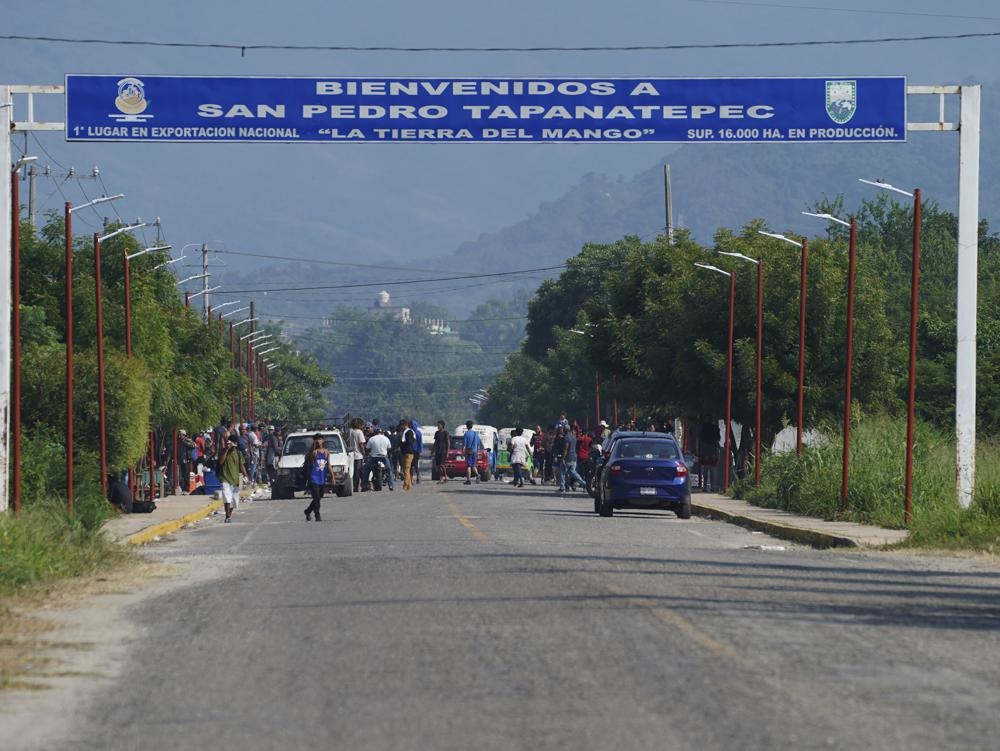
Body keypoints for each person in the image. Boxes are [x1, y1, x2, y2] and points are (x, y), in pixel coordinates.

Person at [303, 433, 333, 521]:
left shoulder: (327, 452)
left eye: (320, 439)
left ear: (323, 440)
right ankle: (317, 515)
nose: (319, 441)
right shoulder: (313, 453)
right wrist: (313, 447)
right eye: (317, 439)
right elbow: (308, 460)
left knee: (320, 496)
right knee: (316, 497)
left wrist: (333, 477)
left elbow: (329, 465)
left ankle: (308, 511)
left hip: (322, 477)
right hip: (313, 477)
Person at [218, 434, 247, 523]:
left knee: (234, 501)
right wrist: (226, 449)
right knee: (227, 497)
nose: (229, 444)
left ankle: (229, 515)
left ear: (235, 444)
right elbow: (221, 462)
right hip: (225, 478)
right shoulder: (224, 451)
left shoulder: (238, 453)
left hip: (235, 480)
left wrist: (246, 475)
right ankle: (227, 516)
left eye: (231, 443)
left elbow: (241, 465)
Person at [560, 427, 587, 493]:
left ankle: (562, 487)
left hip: (568, 457)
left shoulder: (566, 438)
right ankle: (584, 483)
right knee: (573, 472)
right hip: (574, 456)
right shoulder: (573, 437)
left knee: (563, 472)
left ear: (564, 430)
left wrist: (563, 458)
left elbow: (566, 449)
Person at [698, 416, 721, 492]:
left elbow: (700, 438)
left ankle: (704, 486)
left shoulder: (703, 428)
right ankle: (713, 486)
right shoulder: (715, 428)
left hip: (705, 449)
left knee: (705, 468)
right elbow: (718, 438)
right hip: (713, 449)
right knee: (713, 468)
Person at [347, 418, 366, 492]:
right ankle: (357, 487)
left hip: (352, 454)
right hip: (358, 454)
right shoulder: (359, 432)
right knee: (359, 472)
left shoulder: (351, 432)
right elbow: (361, 444)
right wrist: (364, 453)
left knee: (355, 472)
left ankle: (357, 486)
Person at [400, 419, 417, 491]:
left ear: (405, 425)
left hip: (408, 452)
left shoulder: (409, 432)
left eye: (402, 425)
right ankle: (409, 485)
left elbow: (409, 442)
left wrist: (403, 444)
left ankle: (405, 484)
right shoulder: (406, 432)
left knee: (406, 469)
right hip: (406, 452)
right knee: (406, 469)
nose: (401, 427)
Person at [462, 421, 482, 485]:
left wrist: (463, 452)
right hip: (475, 451)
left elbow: (464, 445)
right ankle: (478, 475)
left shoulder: (466, 434)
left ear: (466, 426)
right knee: (473, 465)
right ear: (472, 426)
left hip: (469, 451)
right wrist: (478, 452)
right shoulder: (476, 434)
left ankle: (468, 480)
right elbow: (478, 444)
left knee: (468, 466)